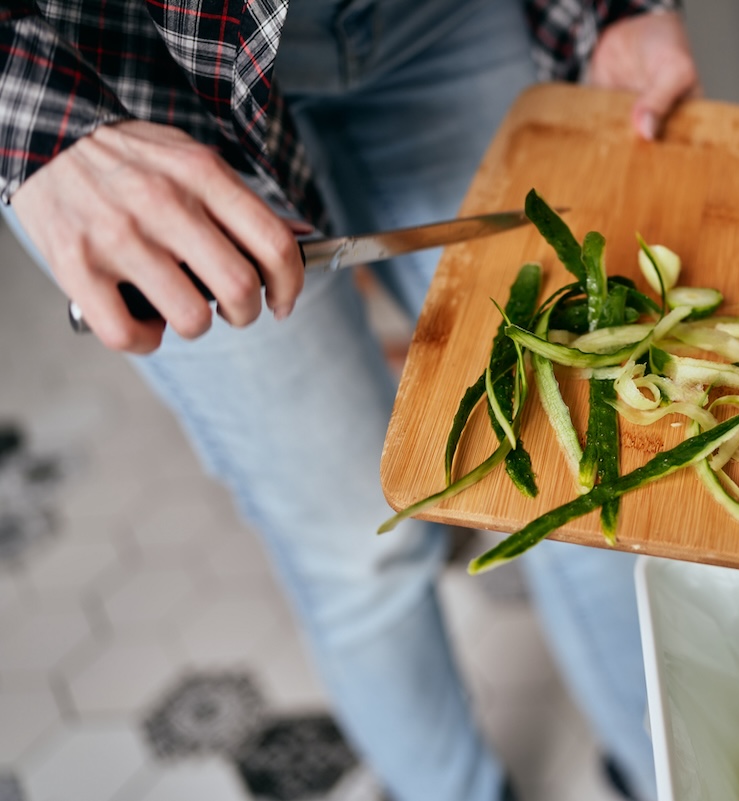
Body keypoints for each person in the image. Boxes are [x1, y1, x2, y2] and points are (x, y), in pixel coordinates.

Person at [0, 1, 699, 799]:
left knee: (581, 466)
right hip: (132, 75)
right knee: (358, 545)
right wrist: (29, 108)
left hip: (443, 22)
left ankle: (667, 776)